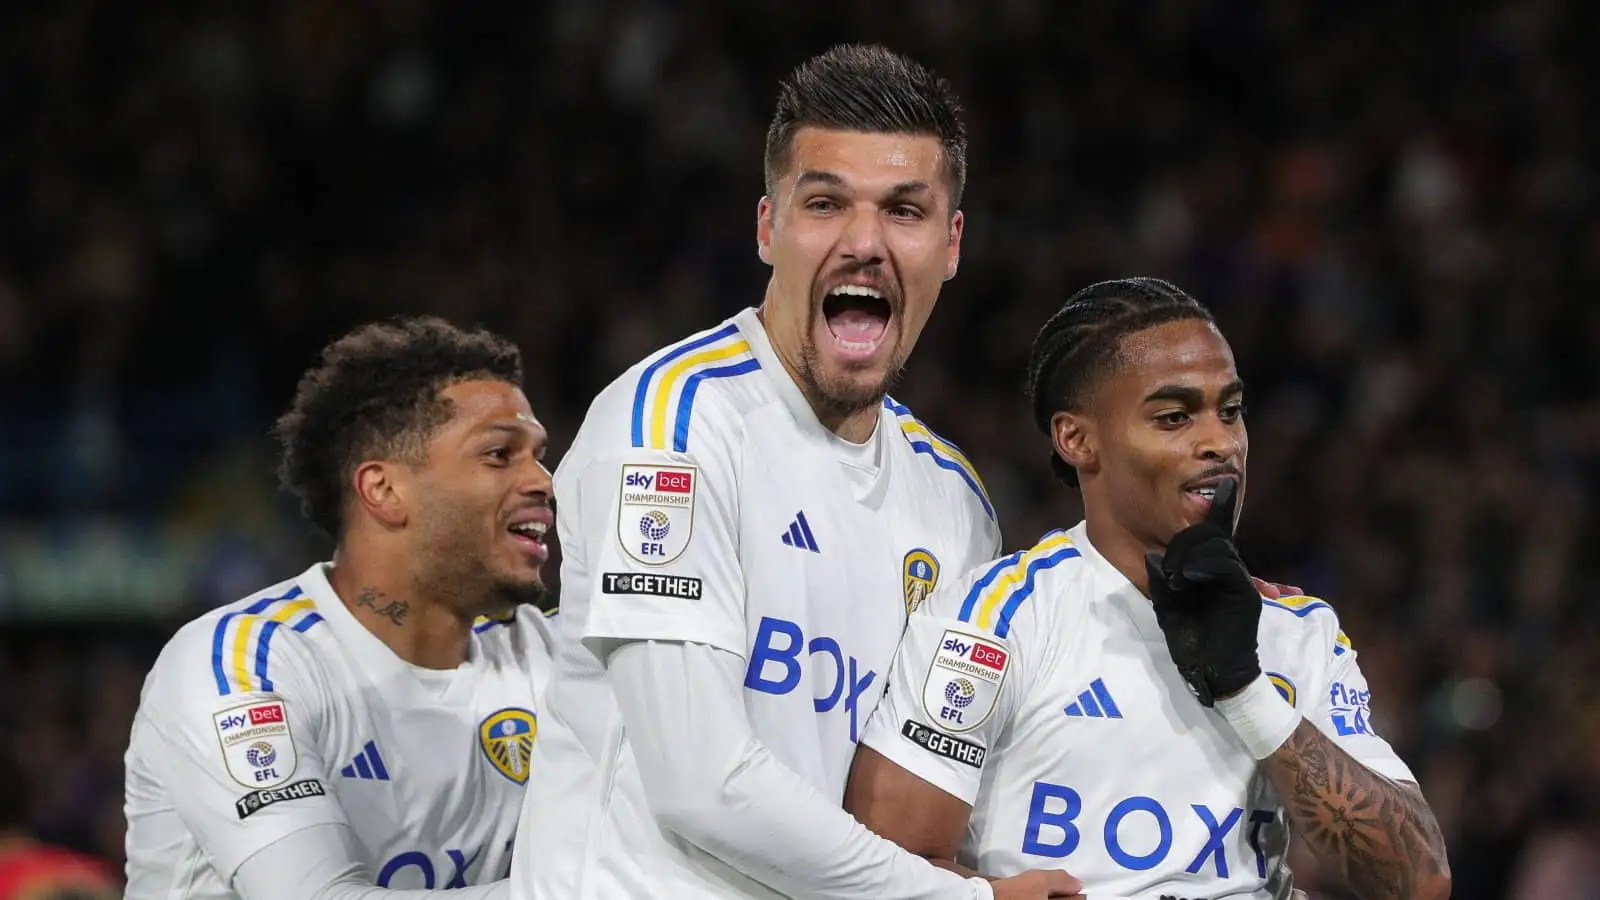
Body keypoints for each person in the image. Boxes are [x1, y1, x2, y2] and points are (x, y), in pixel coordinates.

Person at [509, 44, 1079, 900]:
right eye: (825, 204)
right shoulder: (670, 428)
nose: (864, 243)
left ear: (951, 244)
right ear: (769, 227)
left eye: (905, 211)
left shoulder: (957, 503)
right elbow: (702, 784)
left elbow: (939, 791)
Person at [846, 278, 1452, 900]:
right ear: (1076, 439)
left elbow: (1419, 883)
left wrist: (1245, 690)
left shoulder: (1299, 632)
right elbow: (885, 871)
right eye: (1174, 417)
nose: (1219, 442)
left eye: (1232, 411)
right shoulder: (995, 623)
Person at [123, 317, 559, 900]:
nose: (544, 480)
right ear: (383, 490)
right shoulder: (242, 666)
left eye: (539, 456)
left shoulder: (550, 659)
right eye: (501, 454)